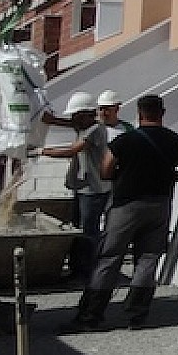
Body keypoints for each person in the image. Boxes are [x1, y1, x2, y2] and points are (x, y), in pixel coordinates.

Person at [67, 93, 178, 331]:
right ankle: (137, 315)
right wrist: (169, 175)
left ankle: (91, 315)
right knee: (148, 258)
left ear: (139, 113)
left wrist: (123, 175)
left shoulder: (124, 141)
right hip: (159, 204)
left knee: (109, 257)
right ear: (162, 113)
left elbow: (105, 171)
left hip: (125, 206)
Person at [39, 92, 113, 279]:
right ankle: (77, 266)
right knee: (77, 228)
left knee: (88, 231)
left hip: (94, 190)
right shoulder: (83, 126)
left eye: (77, 116)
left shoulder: (95, 130)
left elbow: (73, 151)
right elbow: (69, 123)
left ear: (88, 115)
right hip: (82, 187)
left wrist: (42, 151)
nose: (73, 119)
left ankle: (88, 269)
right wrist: (50, 120)